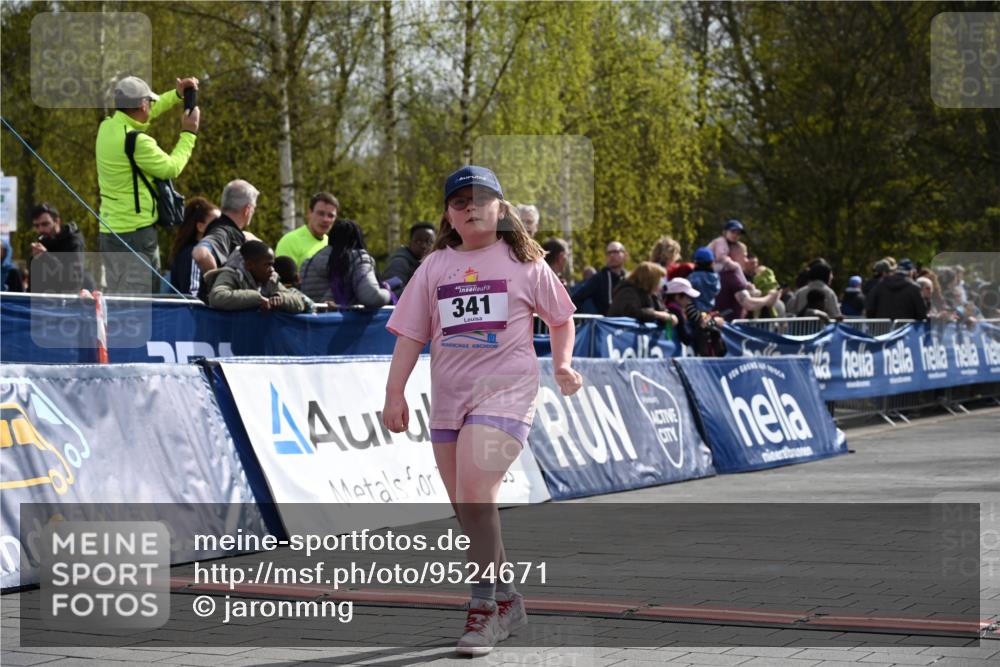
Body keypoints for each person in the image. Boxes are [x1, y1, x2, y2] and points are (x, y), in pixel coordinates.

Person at [382, 166, 582, 656]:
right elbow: (410, 334)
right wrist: (394, 394)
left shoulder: (525, 264)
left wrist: (562, 364)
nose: (470, 207)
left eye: (480, 199)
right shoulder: (435, 266)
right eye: (460, 202)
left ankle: (483, 609)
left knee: (475, 494)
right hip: (450, 399)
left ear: (500, 207)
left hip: (507, 393)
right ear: (448, 215)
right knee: (469, 509)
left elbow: (561, 318)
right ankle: (509, 599)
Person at [96, 75, 199, 294]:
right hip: (137, 234)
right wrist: (189, 133)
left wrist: (176, 95)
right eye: (149, 102)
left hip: (108, 232)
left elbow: (147, 113)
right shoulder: (138, 142)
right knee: (145, 298)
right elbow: (171, 168)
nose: (151, 106)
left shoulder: (106, 127)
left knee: (118, 297)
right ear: (143, 105)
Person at [299, 219, 391, 307]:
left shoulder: (308, 263)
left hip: (311, 317)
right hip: (345, 317)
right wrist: (388, 292)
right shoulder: (358, 259)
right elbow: (372, 297)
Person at [203, 240, 310, 313]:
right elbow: (217, 297)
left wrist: (281, 298)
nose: (272, 269)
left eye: (272, 264)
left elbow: (300, 301)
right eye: (267, 265)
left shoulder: (271, 279)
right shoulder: (231, 274)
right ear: (249, 265)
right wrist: (258, 299)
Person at [193, 180, 259, 275]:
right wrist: (216, 280)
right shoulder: (223, 232)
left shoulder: (224, 228)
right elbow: (201, 253)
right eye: (254, 208)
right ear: (247, 210)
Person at [27, 203, 94, 293]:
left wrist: (46, 257)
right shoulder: (43, 241)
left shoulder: (73, 242)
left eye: (45, 224)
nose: (41, 229)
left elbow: (73, 281)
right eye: (36, 226)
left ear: (57, 221)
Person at [715, 241, 779, 321]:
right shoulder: (733, 277)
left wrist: (750, 291)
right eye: (744, 256)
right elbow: (749, 304)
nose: (746, 260)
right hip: (727, 325)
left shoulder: (723, 273)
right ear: (734, 256)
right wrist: (768, 298)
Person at [169, 197, 219, 296]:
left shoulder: (211, 251)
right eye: (216, 224)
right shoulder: (193, 254)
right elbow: (192, 296)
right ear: (200, 227)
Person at [274, 192, 339, 266]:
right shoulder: (290, 241)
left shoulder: (331, 244)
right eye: (321, 213)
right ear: (309, 213)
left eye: (331, 216)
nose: (325, 219)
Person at [663, 277, 724, 356]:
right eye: (688, 297)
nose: (690, 301)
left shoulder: (673, 308)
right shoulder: (675, 310)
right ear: (677, 297)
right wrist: (701, 326)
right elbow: (686, 338)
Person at [607, 261, 677, 326]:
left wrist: (670, 316)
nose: (661, 283)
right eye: (659, 279)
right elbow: (632, 313)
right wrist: (657, 314)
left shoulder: (651, 294)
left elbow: (662, 311)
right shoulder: (627, 292)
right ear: (650, 279)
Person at [571, 241, 627, 315]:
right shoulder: (598, 279)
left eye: (615, 252)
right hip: (606, 321)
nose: (612, 255)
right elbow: (576, 299)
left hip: (627, 321)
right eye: (609, 253)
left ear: (625, 255)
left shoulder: (629, 279)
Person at [383, 222, 436, 298]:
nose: (424, 246)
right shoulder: (399, 263)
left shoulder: (428, 263)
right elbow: (392, 295)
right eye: (418, 241)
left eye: (429, 242)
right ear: (410, 242)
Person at [687, 247, 719, 313]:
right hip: (709, 311)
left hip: (694, 312)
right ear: (712, 263)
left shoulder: (692, 277)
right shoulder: (716, 277)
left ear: (695, 263)